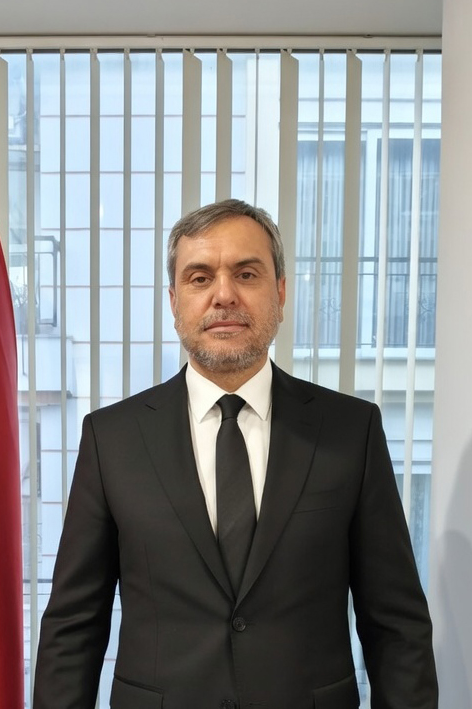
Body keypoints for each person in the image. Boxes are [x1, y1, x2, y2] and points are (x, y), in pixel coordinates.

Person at [33, 199, 438, 709]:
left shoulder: (350, 432)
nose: (224, 295)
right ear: (174, 300)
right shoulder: (111, 438)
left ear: (281, 292)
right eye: (200, 278)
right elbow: (74, 626)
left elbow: (396, 625)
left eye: (246, 274)